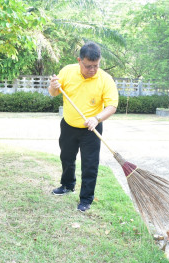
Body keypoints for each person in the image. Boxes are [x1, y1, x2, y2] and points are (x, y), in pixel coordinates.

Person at [48, 42, 119, 212]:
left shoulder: (105, 80)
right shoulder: (67, 72)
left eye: (96, 66)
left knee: (90, 164)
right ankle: (67, 185)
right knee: (66, 157)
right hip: (68, 126)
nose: (92, 70)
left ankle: (86, 198)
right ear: (79, 60)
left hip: (91, 129)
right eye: (88, 66)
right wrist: (53, 86)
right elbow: (53, 93)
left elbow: (112, 106)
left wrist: (97, 118)